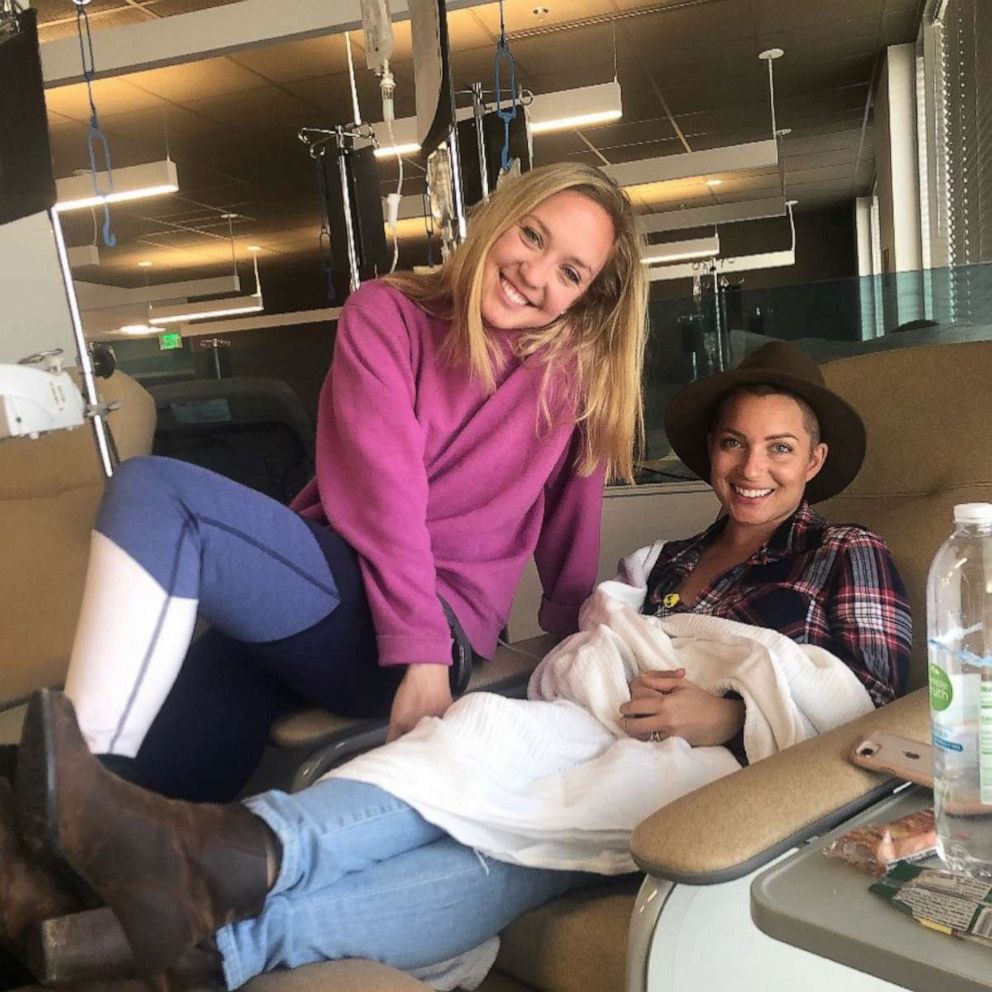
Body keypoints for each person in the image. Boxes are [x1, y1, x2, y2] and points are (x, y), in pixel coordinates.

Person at [0, 342, 912, 990]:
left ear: (815, 461)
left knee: (516, 838)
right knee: (467, 739)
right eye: (733, 443)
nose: (753, 467)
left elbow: (867, 700)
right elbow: (601, 633)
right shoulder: (668, 562)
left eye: (780, 448)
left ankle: (215, 946)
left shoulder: (846, 551)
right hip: (590, 719)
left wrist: (729, 717)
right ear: (711, 453)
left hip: (708, 772)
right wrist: (581, 669)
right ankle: (234, 848)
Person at [31, 162, 648, 802]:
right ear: (497, 220)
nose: (536, 273)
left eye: (571, 273)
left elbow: (573, 538)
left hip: (422, 639)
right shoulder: (389, 312)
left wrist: (563, 668)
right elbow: (384, 492)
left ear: (585, 296)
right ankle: (99, 846)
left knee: (157, 495)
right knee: (160, 785)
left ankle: (76, 787)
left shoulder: (575, 381)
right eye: (533, 236)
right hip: (336, 602)